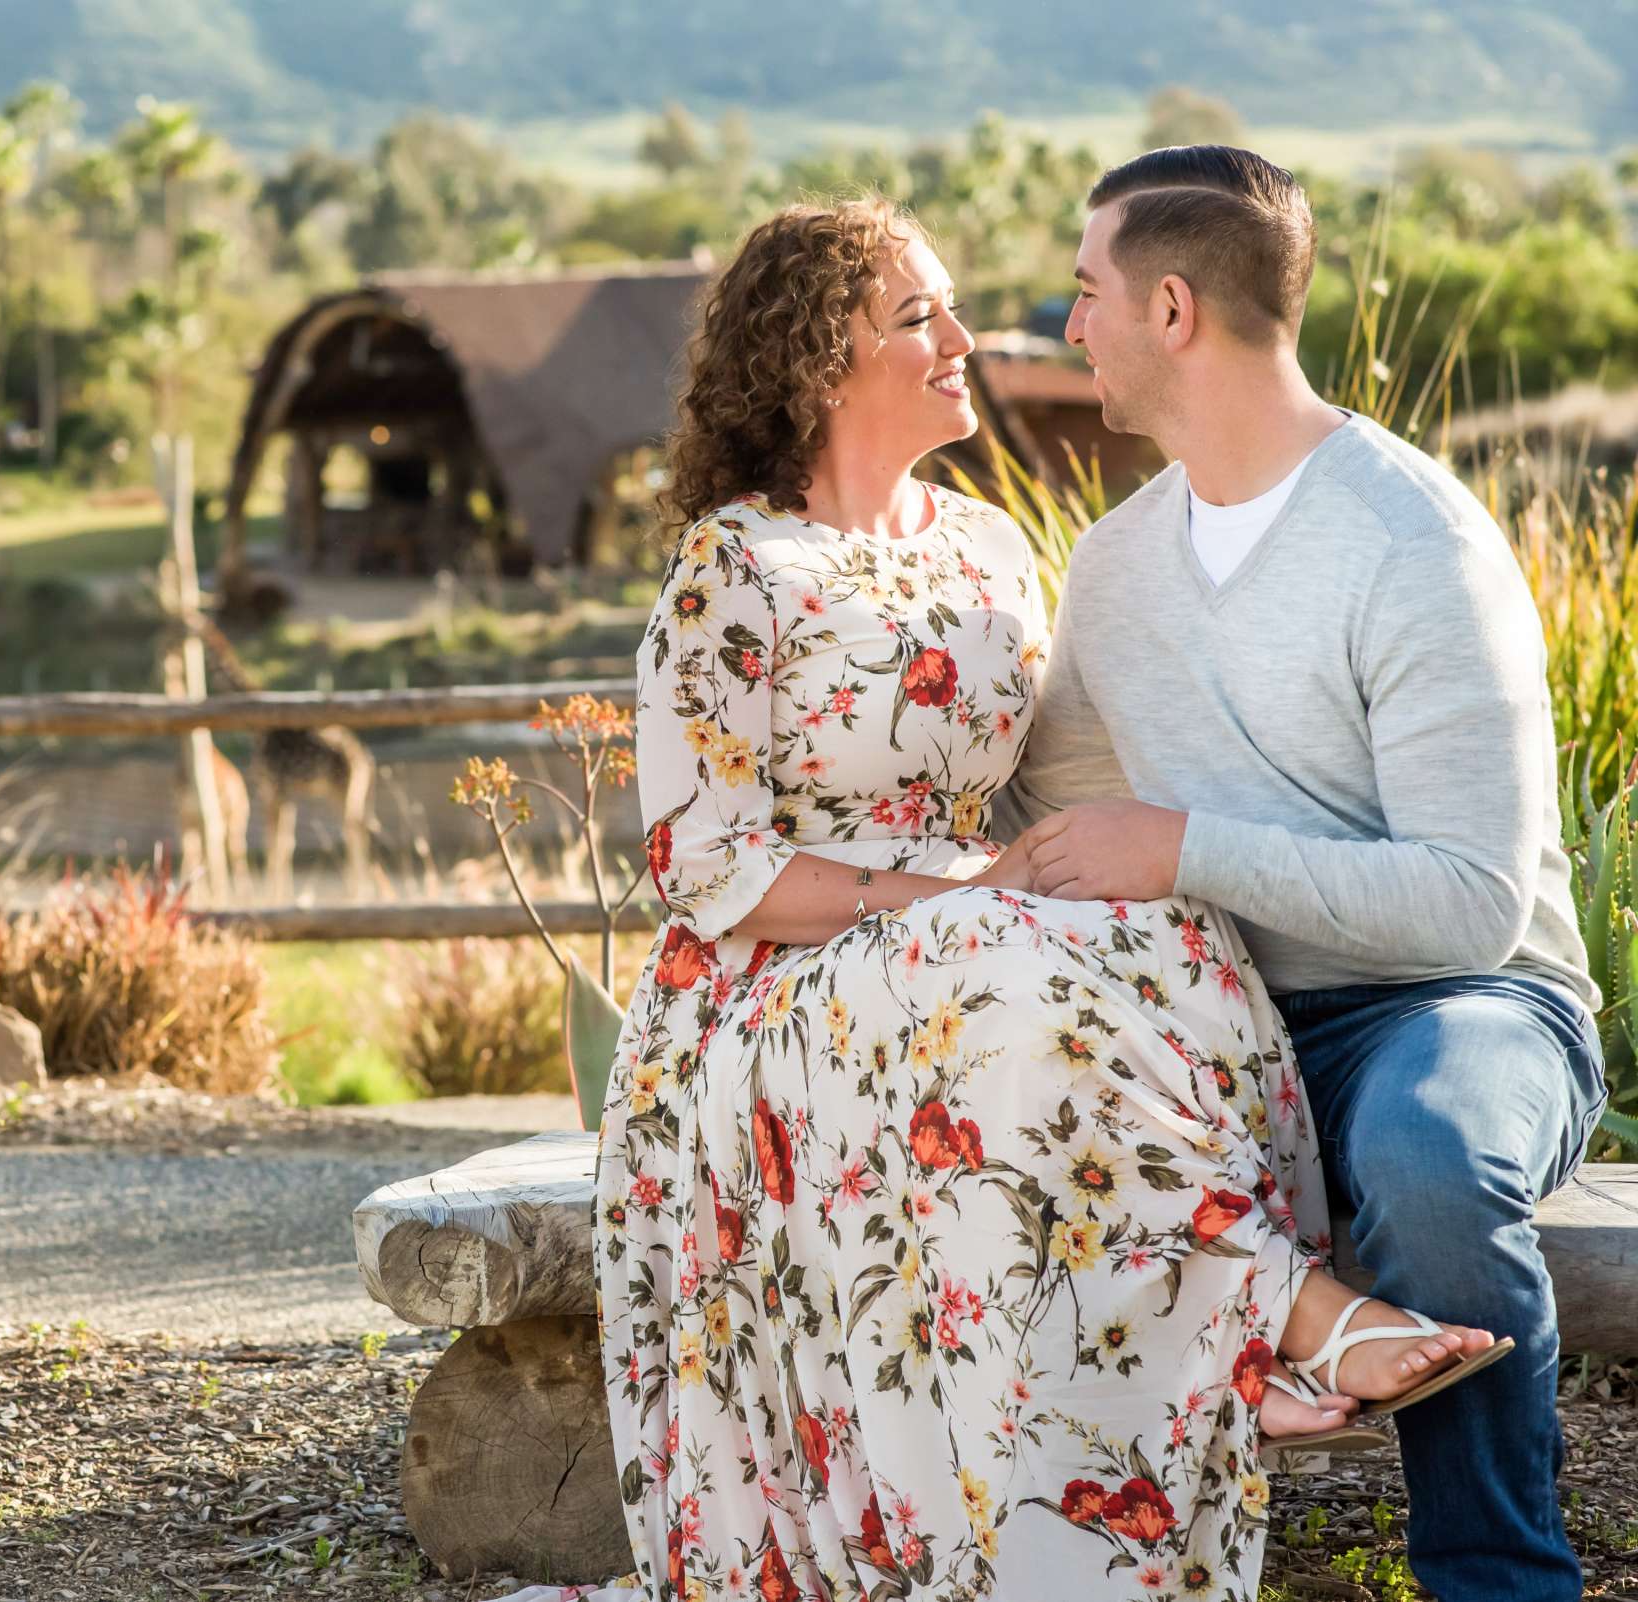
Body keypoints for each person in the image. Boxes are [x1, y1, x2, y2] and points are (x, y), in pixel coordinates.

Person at [498, 197, 1500, 1602]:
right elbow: (707, 867)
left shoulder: (990, 549)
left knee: (1163, 925)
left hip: (965, 962)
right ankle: (1272, 1314)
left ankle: (1210, 1345)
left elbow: (1056, 781)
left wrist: (1155, 859)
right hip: (769, 994)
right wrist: (950, 890)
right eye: (921, 318)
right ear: (817, 361)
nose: (965, 340)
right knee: (996, 954)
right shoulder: (735, 570)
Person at [995, 145, 1608, 1602]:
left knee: (1424, 1155)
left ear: (1170, 310)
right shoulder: (1116, 566)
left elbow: (1473, 900)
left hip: (1457, 1009)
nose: (1068, 326)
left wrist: (1191, 850)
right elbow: (1053, 813)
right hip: (1220, 1029)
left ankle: (1499, 1577)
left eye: (1085, 294)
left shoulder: (1413, 545)